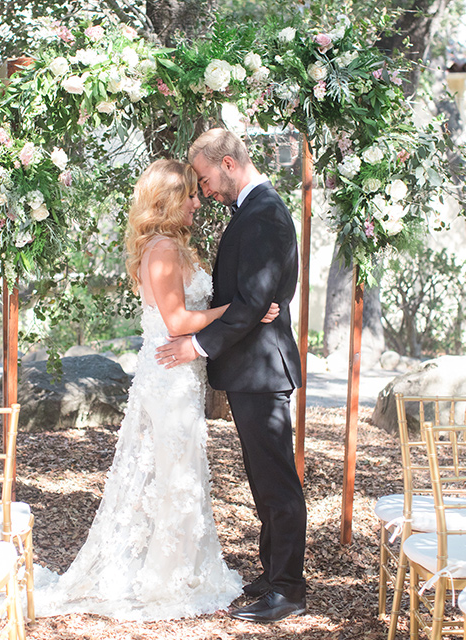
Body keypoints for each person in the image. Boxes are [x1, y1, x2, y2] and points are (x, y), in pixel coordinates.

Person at [33, 158, 279, 620]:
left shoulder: (172, 245)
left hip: (181, 376)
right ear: (165, 201)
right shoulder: (163, 249)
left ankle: (183, 564)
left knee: (180, 471)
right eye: (188, 195)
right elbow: (178, 322)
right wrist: (238, 308)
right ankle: (167, 575)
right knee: (174, 473)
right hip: (169, 379)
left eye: (196, 192)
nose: (196, 202)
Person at [155, 128, 307, 623]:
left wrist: (195, 345)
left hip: (262, 370)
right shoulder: (256, 209)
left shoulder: (263, 213)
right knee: (263, 479)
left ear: (227, 162)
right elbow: (255, 296)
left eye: (204, 179)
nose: (204, 191)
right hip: (253, 369)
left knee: (276, 481)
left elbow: (253, 302)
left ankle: (288, 588)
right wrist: (255, 305)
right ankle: (273, 571)